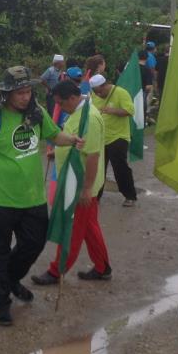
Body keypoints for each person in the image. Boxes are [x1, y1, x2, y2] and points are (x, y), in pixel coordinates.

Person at [0, 66, 83, 327]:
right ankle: (0, 304)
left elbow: (55, 135)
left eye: (28, 91)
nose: (25, 97)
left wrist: (72, 139)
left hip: (33, 199)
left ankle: (9, 280)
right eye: (20, 92)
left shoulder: (37, 113)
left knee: (34, 244)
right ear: (7, 93)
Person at [32, 81, 111, 285]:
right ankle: (103, 267)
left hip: (80, 185)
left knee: (72, 228)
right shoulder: (78, 112)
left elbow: (92, 156)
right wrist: (58, 151)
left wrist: (86, 189)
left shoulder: (90, 118)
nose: (59, 107)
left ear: (73, 98)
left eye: (61, 103)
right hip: (75, 181)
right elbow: (76, 142)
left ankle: (56, 271)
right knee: (89, 227)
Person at [90, 73, 138, 207]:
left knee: (120, 167)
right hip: (100, 137)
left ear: (105, 85)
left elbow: (130, 111)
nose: (98, 95)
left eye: (100, 92)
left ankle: (130, 195)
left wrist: (112, 110)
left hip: (118, 136)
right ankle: (95, 196)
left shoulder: (121, 93)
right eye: (96, 92)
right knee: (98, 168)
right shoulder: (94, 95)